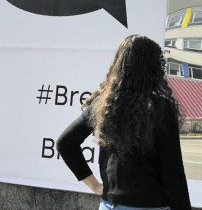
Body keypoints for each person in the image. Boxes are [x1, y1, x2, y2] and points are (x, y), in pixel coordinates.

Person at [56, 35, 191, 210]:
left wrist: (96, 186)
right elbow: (173, 174)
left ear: (119, 64)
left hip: (109, 205)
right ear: (154, 68)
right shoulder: (160, 109)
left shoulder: (103, 104)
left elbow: (65, 143)